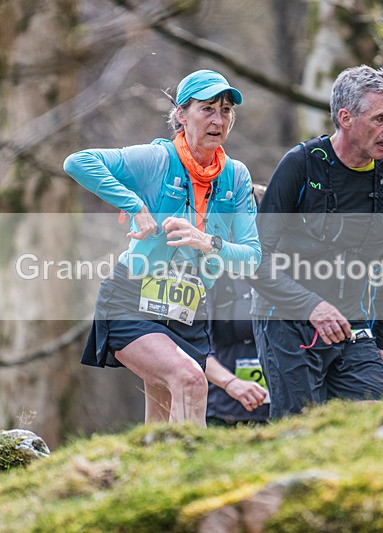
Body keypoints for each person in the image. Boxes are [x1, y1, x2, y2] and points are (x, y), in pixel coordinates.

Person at [63, 69, 261, 426]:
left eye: (227, 110)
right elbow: (79, 162)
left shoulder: (236, 176)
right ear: (182, 116)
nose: (219, 120)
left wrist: (209, 243)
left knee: (163, 418)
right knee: (189, 379)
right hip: (132, 299)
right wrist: (136, 206)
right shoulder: (158, 160)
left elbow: (251, 256)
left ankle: (151, 477)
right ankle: (195, 477)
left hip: (189, 312)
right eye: (208, 109)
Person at [249, 65, 383, 418]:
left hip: (355, 326)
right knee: (302, 430)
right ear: (346, 117)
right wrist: (312, 306)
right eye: (380, 118)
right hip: (287, 323)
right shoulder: (300, 166)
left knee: (372, 423)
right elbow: (254, 258)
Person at [204, 185, 270, 425]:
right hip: (223, 412)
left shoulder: (291, 273)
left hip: (285, 413)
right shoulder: (210, 275)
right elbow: (192, 348)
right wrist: (231, 383)